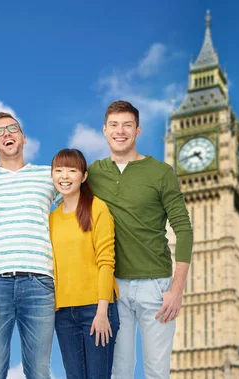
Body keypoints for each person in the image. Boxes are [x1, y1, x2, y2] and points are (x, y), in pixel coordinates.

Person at [87, 100, 193, 379]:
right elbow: (61, 183)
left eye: (127, 125)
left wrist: (177, 289)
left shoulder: (161, 172)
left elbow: (183, 228)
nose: (120, 131)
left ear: (138, 130)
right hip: (113, 288)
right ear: (104, 130)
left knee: (157, 372)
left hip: (156, 288)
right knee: (118, 371)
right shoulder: (93, 173)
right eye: (114, 125)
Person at [0, 112, 59, 379]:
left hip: (39, 282)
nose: (6, 134)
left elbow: (75, 203)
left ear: (24, 138)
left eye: (12, 129)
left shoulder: (49, 176)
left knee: (40, 371)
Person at [49, 148, 119, 379]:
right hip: (64, 314)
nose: (65, 176)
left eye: (72, 170)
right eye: (58, 171)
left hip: (96, 309)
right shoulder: (52, 218)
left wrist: (102, 312)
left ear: (84, 176)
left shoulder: (96, 208)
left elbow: (106, 261)